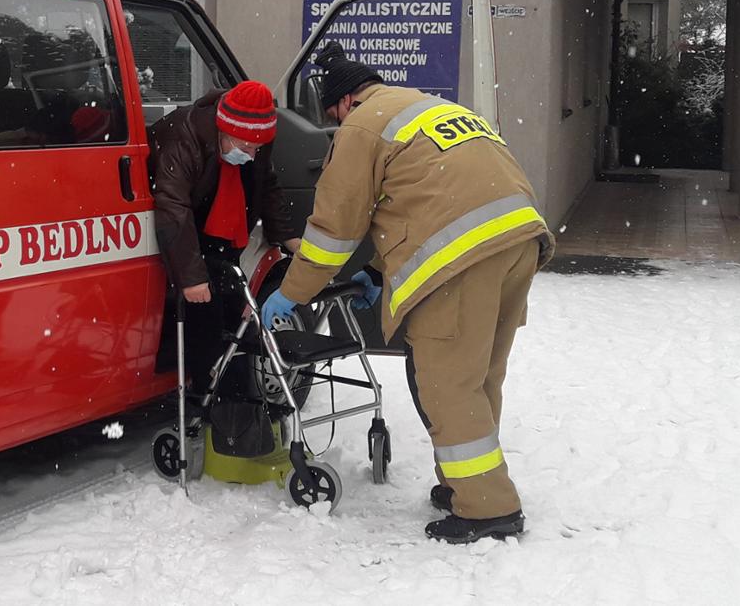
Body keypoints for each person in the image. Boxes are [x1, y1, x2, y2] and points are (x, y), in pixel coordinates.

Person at [261, 48, 553, 544]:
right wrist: (377, 271)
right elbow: (419, 199)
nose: (335, 122)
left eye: (333, 113)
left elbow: (336, 226)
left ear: (346, 100)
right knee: (479, 377)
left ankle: (488, 510)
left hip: (462, 260)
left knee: (448, 383)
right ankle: (466, 483)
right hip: (519, 240)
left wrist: (294, 292)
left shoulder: (360, 126)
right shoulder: (429, 108)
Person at [150, 81, 298, 388]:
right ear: (224, 129)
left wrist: (286, 234)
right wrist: (192, 277)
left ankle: (236, 399)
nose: (251, 155)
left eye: (257, 149)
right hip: (190, 227)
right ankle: (210, 397)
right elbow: (173, 208)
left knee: (236, 315)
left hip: (224, 232)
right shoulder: (185, 135)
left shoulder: (251, 138)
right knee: (203, 316)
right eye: (245, 147)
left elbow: (266, 184)